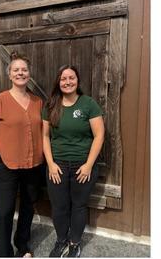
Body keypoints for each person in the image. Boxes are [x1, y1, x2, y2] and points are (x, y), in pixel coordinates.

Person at [0, 51, 44, 257]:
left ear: (29, 74)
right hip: (6, 166)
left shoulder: (37, 102)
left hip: (33, 165)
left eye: (24, 70)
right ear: (9, 74)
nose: (20, 73)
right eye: (16, 70)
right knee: (4, 214)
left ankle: (22, 244)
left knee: (28, 208)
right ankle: (4, 253)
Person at [42, 65, 105, 257]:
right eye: (63, 79)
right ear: (58, 82)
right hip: (57, 166)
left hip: (82, 166)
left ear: (77, 80)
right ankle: (61, 240)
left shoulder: (88, 104)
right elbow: (45, 137)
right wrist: (51, 164)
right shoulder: (51, 105)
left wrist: (88, 165)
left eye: (71, 78)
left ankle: (75, 243)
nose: (67, 82)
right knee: (59, 207)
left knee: (78, 206)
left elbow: (99, 135)